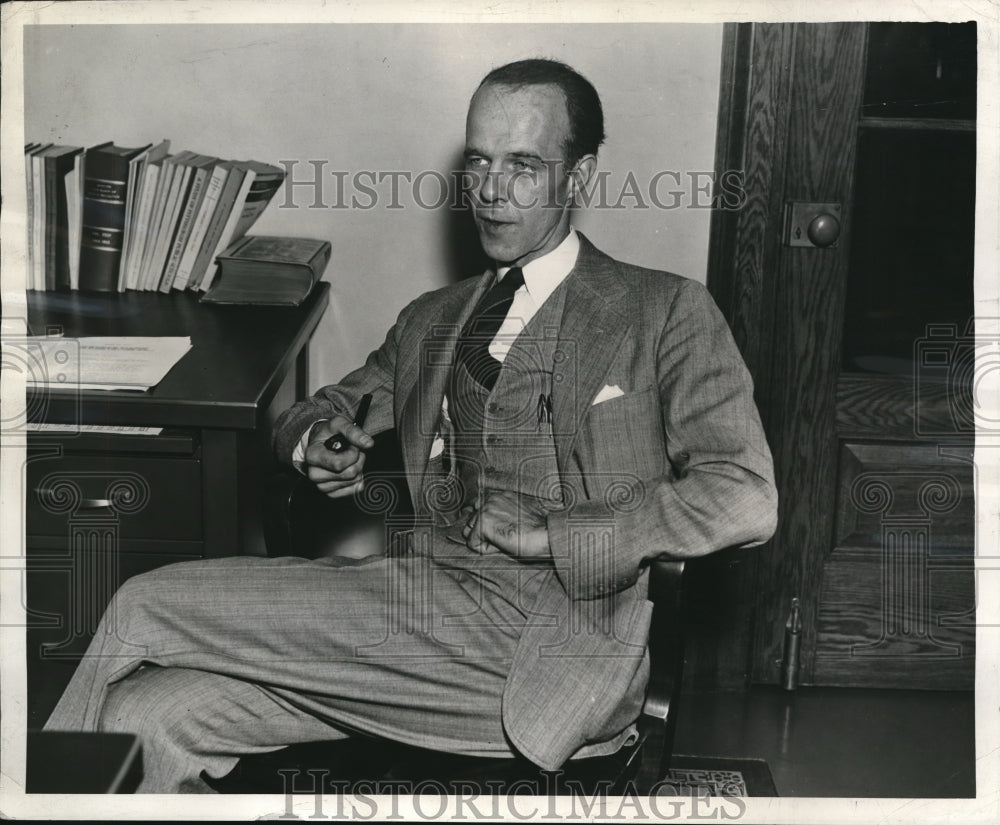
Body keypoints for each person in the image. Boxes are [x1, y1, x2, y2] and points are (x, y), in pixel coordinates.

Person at [44, 59, 777, 793]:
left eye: (524, 165)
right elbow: (324, 404)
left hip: (556, 651)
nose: (491, 191)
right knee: (144, 717)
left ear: (579, 176)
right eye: (480, 162)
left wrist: (558, 532)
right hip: (411, 630)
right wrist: (314, 439)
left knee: (143, 600)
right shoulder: (434, 318)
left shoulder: (664, 310)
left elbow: (745, 494)